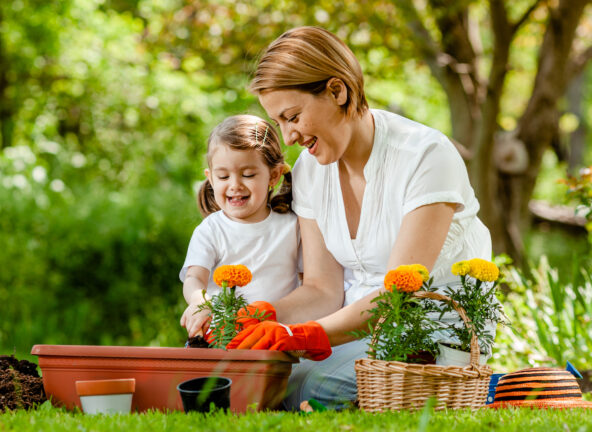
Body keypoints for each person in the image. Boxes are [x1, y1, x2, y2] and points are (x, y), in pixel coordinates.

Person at [226, 26, 493, 410]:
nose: (288, 137)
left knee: (307, 390)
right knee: (254, 379)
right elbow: (322, 288)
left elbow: (400, 294)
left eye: (294, 116)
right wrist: (265, 316)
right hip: (348, 335)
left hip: (430, 338)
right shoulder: (310, 171)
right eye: (279, 122)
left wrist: (304, 336)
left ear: (338, 91)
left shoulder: (425, 156)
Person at [179, 114, 302, 338]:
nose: (235, 185)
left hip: (274, 339)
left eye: (248, 174)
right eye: (223, 176)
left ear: (273, 176)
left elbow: (307, 284)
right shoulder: (211, 230)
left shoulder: (292, 227)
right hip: (221, 339)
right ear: (211, 178)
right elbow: (194, 278)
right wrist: (201, 303)